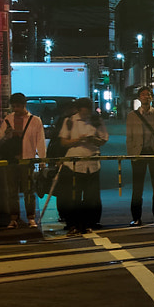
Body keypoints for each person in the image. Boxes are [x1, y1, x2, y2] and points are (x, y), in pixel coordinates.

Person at [0, 91, 46, 230]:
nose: (15, 109)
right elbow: (0, 138)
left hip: (27, 160)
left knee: (29, 190)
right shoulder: (8, 119)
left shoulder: (35, 120)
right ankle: (13, 218)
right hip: (11, 160)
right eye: (13, 106)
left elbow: (40, 141)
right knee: (12, 190)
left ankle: (31, 217)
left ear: (24, 105)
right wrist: (6, 136)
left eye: (18, 106)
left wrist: (42, 160)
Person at [52, 97, 106, 234]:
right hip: (73, 165)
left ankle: (89, 223)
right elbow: (63, 142)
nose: (86, 113)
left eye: (88, 110)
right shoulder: (70, 121)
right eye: (84, 110)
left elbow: (104, 138)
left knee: (91, 197)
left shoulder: (95, 120)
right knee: (73, 196)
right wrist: (80, 139)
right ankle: (73, 224)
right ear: (78, 109)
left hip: (92, 164)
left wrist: (94, 140)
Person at [126, 83, 154, 226]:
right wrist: (131, 153)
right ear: (139, 97)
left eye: (149, 95)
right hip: (138, 153)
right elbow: (129, 136)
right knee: (137, 187)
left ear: (152, 98)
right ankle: (136, 217)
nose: (146, 97)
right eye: (144, 94)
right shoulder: (132, 116)